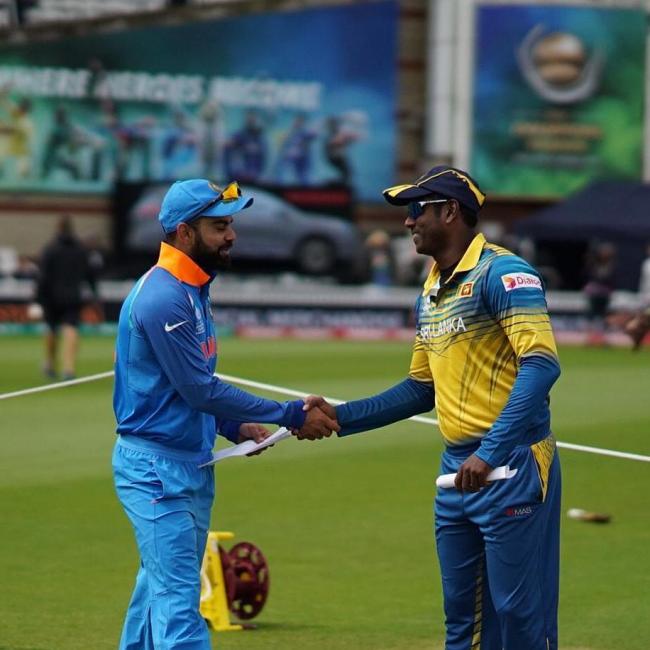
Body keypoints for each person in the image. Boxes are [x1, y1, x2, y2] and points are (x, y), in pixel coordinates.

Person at [302, 166, 562, 650]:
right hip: (457, 471)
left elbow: (542, 365)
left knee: (518, 615)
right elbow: (422, 387)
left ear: (450, 212)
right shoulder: (432, 287)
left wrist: (490, 451)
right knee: (462, 619)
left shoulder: (504, 273)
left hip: (511, 463)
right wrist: (341, 416)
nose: (408, 221)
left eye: (417, 209)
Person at [111, 178, 338, 650]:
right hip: (156, 471)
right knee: (177, 602)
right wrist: (290, 414)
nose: (231, 235)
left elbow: (183, 387)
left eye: (230, 224)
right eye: (219, 227)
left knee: (157, 589)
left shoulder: (191, 288)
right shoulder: (164, 296)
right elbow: (199, 389)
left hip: (188, 463)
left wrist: (233, 425)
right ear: (184, 233)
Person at [37, 216, 98, 380]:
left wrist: (39, 297)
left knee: (51, 329)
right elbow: (90, 274)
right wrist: (94, 293)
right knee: (71, 328)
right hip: (73, 296)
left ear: (58, 228)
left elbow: (43, 276)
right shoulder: (81, 250)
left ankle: (50, 363)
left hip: (52, 297)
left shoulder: (50, 249)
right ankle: (68, 368)